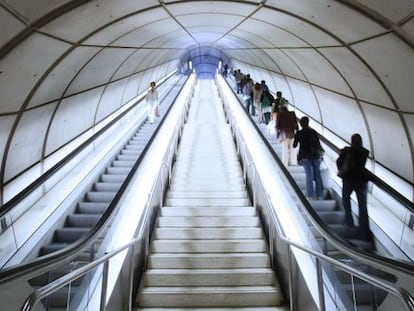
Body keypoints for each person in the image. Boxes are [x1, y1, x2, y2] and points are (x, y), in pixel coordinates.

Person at [336, 133, 371, 240]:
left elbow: (339, 162)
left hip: (349, 180)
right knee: (362, 206)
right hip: (361, 181)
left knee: (346, 199)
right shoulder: (364, 152)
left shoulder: (346, 151)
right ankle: (364, 230)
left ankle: (349, 221)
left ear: (351, 141)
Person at [293, 117, 324, 200]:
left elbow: (294, 145)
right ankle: (319, 195)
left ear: (301, 124)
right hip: (316, 156)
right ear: (308, 123)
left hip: (305, 156)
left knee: (309, 176)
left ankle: (310, 196)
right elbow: (318, 143)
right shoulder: (313, 132)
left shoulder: (299, 133)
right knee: (317, 175)